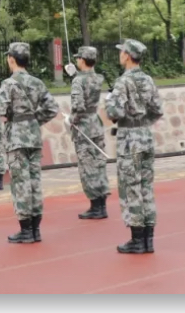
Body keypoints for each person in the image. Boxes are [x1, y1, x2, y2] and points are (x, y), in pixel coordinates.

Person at [0, 42, 60, 243]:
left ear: (11, 59)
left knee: (20, 183)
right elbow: (52, 108)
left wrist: (9, 112)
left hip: (16, 138)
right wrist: (35, 119)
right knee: (35, 181)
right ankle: (36, 228)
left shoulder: (9, 83)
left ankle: (26, 229)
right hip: (34, 136)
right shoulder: (37, 82)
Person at [104, 39, 164, 254]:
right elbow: (157, 110)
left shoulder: (123, 82)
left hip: (129, 139)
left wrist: (109, 100)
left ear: (128, 56)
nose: (120, 55)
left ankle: (137, 239)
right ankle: (148, 239)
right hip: (145, 136)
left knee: (131, 188)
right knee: (146, 187)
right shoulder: (148, 80)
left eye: (122, 52)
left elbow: (114, 113)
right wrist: (143, 122)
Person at [64, 46, 110, 219]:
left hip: (83, 127)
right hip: (95, 123)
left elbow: (78, 106)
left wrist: (71, 120)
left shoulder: (78, 81)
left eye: (78, 58)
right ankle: (102, 204)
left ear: (82, 60)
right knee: (99, 165)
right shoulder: (98, 78)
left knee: (87, 167)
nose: (76, 60)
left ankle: (96, 206)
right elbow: (88, 83)